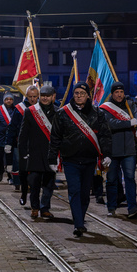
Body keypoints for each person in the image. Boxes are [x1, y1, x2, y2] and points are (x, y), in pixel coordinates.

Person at [49, 82, 111, 237]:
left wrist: (107, 154)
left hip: (90, 159)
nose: (78, 96)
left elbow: (104, 135)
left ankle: (80, 220)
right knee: (74, 191)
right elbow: (55, 137)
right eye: (76, 93)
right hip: (71, 159)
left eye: (82, 93)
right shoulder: (63, 113)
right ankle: (78, 224)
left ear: (88, 95)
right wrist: (52, 159)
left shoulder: (97, 113)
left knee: (84, 194)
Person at [100, 82, 137, 219]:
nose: (119, 95)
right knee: (112, 179)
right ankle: (111, 206)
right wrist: (128, 123)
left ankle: (132, 207)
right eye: (116, 92)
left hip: (129, 150)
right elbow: (110, 124)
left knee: (130, 179)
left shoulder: (130, 104)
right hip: (113, 150)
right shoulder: (105, 109)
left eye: (121, 92)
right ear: (112, 93)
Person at [18, 84, 58, 219]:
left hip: (50, 154)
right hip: (34, 154)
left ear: (53, 97)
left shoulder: (58, 112)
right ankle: (35, 207)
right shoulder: (30, 111)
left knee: (49, 185)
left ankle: (44, 208)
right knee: (34, 184)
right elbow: (23, 135)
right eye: (43, 96)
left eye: (47, 96)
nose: (45, 98)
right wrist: (23, 153)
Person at [0, 92, 20, 190]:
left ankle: (11, 177)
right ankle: (1, 170)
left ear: (13, 100)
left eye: (10, 99)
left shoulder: (16, 110)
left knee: (10, 160)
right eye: (6, 99)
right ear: (4, 100)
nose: (8, 101)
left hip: (11, 139)